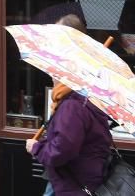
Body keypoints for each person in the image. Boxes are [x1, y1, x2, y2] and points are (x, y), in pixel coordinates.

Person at [27, 14, 111, 196]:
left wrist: (36, 148)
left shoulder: (72, 104)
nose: (50, 70)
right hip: (70, 181)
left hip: (72, 186)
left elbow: (61, 151)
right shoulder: (80, 93)